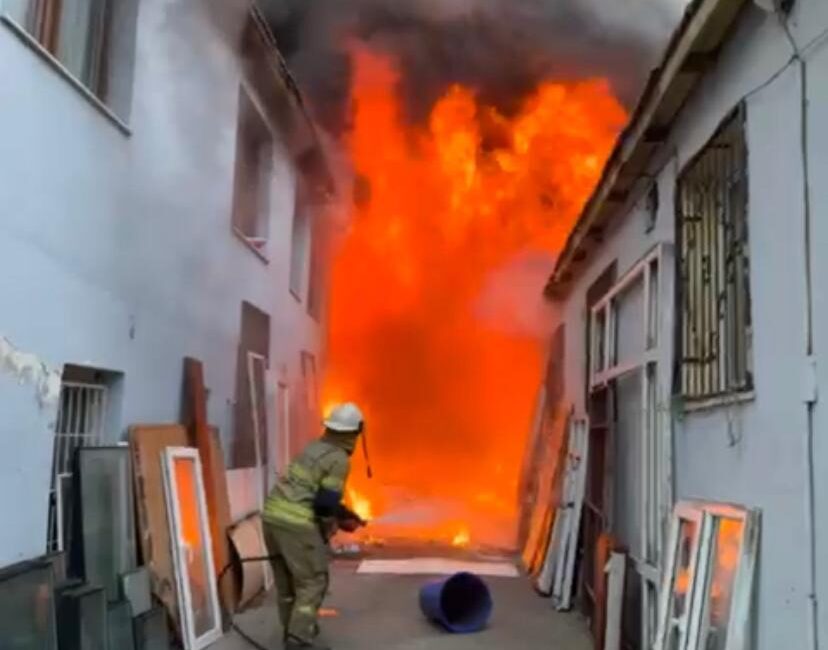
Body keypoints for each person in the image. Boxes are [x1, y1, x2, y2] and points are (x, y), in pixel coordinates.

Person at [262, 402, 367, 650]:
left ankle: (295, 629)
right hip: (296, 523)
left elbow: (316, 492)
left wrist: (344, 514)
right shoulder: (339, 459)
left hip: (271, 517)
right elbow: (324, 504)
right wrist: (336, 524)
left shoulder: (313, 448)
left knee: (287, 582)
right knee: (313, 581)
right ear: (354, 432)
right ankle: (298, 641)